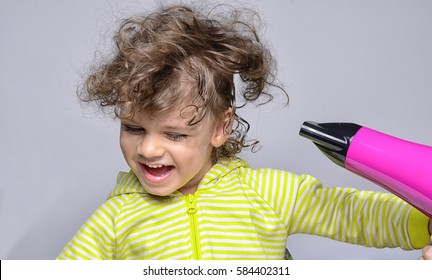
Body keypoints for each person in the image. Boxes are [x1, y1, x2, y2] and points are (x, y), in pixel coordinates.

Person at [57, 3, 432, 260]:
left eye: (174, 135)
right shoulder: (116, 216)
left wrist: (425, 226)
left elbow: (351, 214)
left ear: (221, 127)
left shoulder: (266, 193)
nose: (150, 149)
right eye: (134, 127)